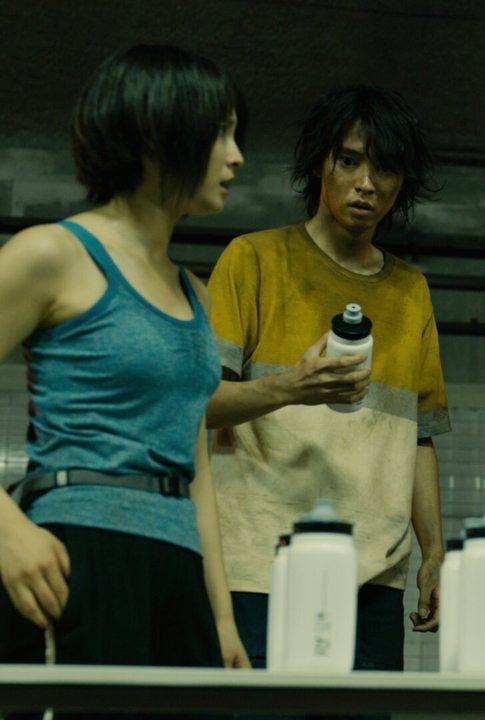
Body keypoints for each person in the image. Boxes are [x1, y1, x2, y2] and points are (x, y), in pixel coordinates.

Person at [0, 44, 248, 671]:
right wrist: (6, 530)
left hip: (179, 569)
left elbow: (196, 465)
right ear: (157, 134)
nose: (237, 156)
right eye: (220, 133)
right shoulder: (52, 254)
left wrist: (221, 619)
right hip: (78, 549)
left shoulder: (196, 294)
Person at [205, 85, 449, 672]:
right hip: (260, 566)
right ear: (320, 164)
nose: (366, 183)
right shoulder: (253, 260)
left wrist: (435, 552)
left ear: (401, 183)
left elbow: (418, 436)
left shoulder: (411, 292)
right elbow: (199, 402)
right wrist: (291, 387)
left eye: (384, 169)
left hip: (373, 577)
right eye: (349, 161)